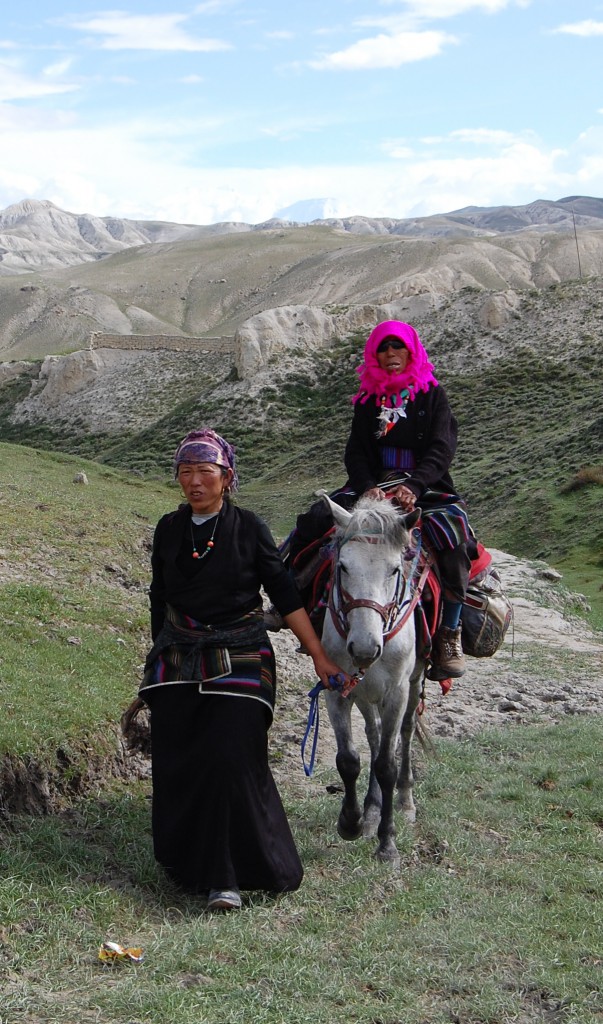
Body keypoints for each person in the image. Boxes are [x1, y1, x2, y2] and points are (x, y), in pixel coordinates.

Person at [139, 428, 350, 911]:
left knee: (230, 754)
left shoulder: (249, 527)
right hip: (178, 652)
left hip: (241, 650)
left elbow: (285, 595)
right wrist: (155, 655)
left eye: (205, 473)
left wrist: (318, 655)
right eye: (185, 473)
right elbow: (159, 598)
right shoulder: (168, 529)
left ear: (226, 478)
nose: (194, 482)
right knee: (178, 754)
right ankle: (185, 862)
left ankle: (228, 878)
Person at [282, 320, 473, 680]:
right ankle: (293, 602)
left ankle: (449, 633)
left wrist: (414, 486)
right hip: (373, 486)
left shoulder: (433, 395)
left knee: (454, 537)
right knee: (313, 522)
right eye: (383, 349)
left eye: (397, 347)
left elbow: (441, 448)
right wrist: (367, 485)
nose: (390, 355)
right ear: (374, 355)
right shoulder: (368, 401)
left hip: (425, 487)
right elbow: (356, 451)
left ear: (411, 351)